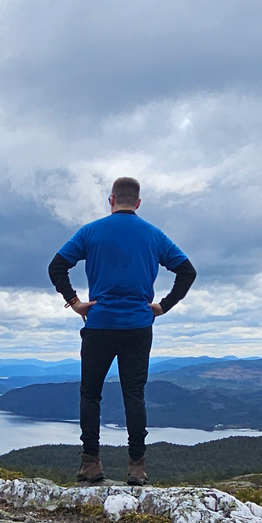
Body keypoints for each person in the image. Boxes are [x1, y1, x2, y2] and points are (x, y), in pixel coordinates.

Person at [47, 177, 196, 485]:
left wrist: (75, 302)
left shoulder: (91, 232)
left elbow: (56, 266)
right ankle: (137, 469)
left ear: (111, 199)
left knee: (90, 393)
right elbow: (187, 271)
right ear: (138, 203)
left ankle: (91, 464)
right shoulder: (153, 235)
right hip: (138, 327)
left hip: (99, 325)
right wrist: (163, 306)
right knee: (134, 395)